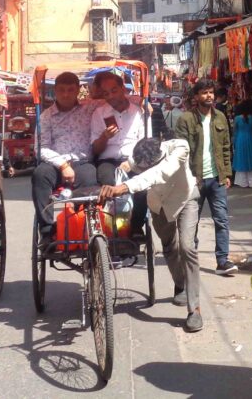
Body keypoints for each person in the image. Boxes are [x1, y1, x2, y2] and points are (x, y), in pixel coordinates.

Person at [100, 137, 204, 333]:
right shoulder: (140, 158)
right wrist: (112, 180)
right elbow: (126, 166)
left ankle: (194, 309)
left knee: (187, 247)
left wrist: (125, 187)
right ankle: (180, 285)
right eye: (141, 166)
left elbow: (160, 172)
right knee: (169, 247)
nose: (144, 168)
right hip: (158, 206)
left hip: (185, 200)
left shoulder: (179, 147)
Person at [174, 78, 237, 275]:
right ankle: (190, 260)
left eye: (211, 92)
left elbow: (226, 147)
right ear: (196, 96)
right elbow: (179, 151)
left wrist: (227, 174)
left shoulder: (220, 118)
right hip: (194, 180)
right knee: (191, 222)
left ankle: (222, 261)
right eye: (204, 93)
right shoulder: (185, 119)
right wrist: (185, 178)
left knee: (222, 220)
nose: (208, 96)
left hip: (217, 178)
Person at [31, 72, 99, 244]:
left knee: (91, 178)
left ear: (78, 90)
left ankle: (82, 226)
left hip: (83, 162)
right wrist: (62, 165)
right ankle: (47, 232)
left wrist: (144, 104)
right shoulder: (46, 116)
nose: (66, 94)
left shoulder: (89, 108)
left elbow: (119, 100)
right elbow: (41, 148)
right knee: (40, 175)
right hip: (55, 163)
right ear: (55, 91)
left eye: (70, 90)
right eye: (61, 90)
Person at [90, 71, 148, 234]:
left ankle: (136, 228)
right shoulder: (99, 113)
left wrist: (131, 163)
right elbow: (95, 149)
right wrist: (104, 137)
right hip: (107, 160)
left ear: (123, 88)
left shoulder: (139, 112)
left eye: (114, 90)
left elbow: (146, 144)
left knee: (142, 189)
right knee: (108, 188)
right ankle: (111, 229)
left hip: (135, 158)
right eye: (106, 93)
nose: (111, 96)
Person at [232, 99, 252, 188]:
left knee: (241, 159)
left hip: (240, 139)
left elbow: (235, 131)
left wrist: (234, 142)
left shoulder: (237, 118)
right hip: (251, 139)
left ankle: (242, 182)